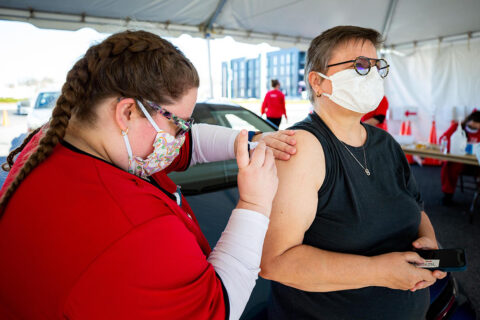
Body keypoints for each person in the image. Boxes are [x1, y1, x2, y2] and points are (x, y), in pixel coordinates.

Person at [0, 30, 298, 320]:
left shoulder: (57, 143)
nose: (181, 136)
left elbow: (189, 146)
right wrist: (255, 204)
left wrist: (246, 141)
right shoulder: (131, 227)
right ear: (127, 112)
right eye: (178, 124)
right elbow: (215, 307)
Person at [259, 26, 446, 320]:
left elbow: (416, 209)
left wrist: (430, 243)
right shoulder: (304, 148)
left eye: (377, 66)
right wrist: (378, 271)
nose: (372, 75)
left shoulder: (386, 143)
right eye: (360, 65)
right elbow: (276, 262)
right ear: (318, 82)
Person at [439, 111, 480, 205]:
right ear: (471, 121)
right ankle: (448, 194)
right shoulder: (457, 127)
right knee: (449, 166)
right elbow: (443, 138)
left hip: (476, 162)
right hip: (459, 161)